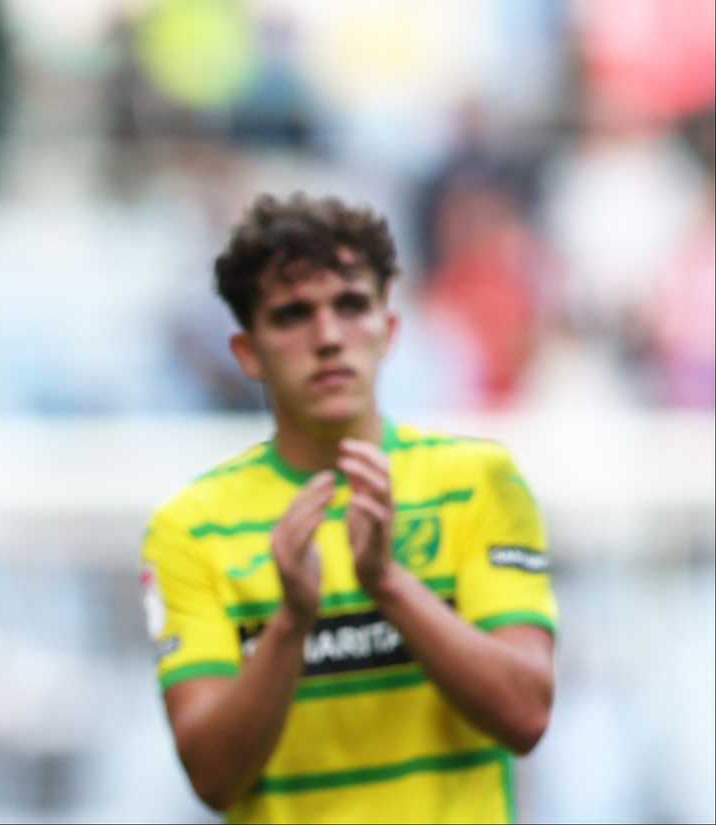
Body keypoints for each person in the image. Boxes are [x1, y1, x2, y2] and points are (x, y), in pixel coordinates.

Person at [140, 193, 556, 823]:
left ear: (388, 331)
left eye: (352, 305)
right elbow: (211, 777)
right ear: (247, 351)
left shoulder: (476, 481)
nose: (328, 337)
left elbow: (526, 714)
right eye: (292, 315)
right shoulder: (190, 528)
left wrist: (387, 583)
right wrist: (290, 624)